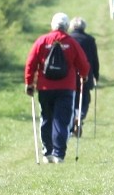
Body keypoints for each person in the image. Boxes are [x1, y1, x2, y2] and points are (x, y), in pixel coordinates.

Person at [24, 12, 90, 163]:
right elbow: (83, 63)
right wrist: (84, 75)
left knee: (46, 118)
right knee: (62, 120)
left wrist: (29, 83)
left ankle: (47, 153)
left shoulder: (42, 41)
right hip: (66, 88)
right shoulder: (71, 42)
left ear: (52, 26)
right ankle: (58, 154)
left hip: (45, 88)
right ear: (67, 26)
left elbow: (31, 63)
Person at [68, 16, 100, 137]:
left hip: (69, 75)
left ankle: (72, 121)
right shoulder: (90, 40)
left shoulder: (68, 39)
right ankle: (79, 116)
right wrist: (96, 75)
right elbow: (94, 60)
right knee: (85, 98)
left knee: (71, 99)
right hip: (85, 74)